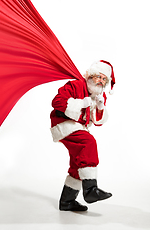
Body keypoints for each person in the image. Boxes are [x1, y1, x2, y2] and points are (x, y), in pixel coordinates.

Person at [50, 60, 116, 211]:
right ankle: (90, 189)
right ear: (91, 75)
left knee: (77, 163)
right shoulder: (75, 85)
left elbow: (97, 121)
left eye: (104, 79)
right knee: (88, 143)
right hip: (64, 125)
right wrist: (82, 103)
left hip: (79, 127)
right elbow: (57, 101)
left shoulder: (99, 96)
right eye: (99, 77)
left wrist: (100, 107)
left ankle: (67, 202)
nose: (101, 81)